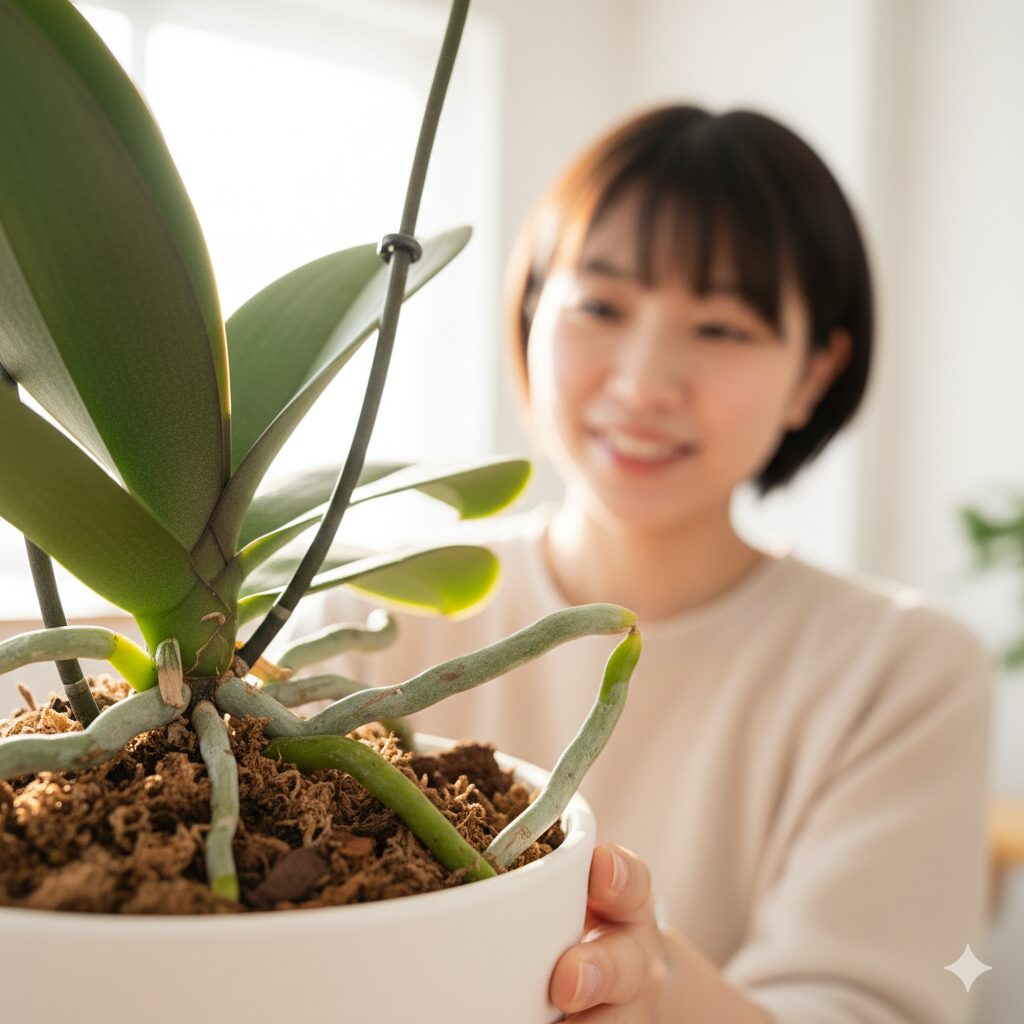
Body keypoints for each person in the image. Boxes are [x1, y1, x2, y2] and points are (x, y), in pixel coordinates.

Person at [273, 105, 992, 1023]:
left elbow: (869, 1006)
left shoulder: (901, 669)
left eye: (723, 328)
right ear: (530, 310)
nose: (645, 383)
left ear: (816, 371)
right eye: (602, 307)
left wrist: (657, 990)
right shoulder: (375, 606)